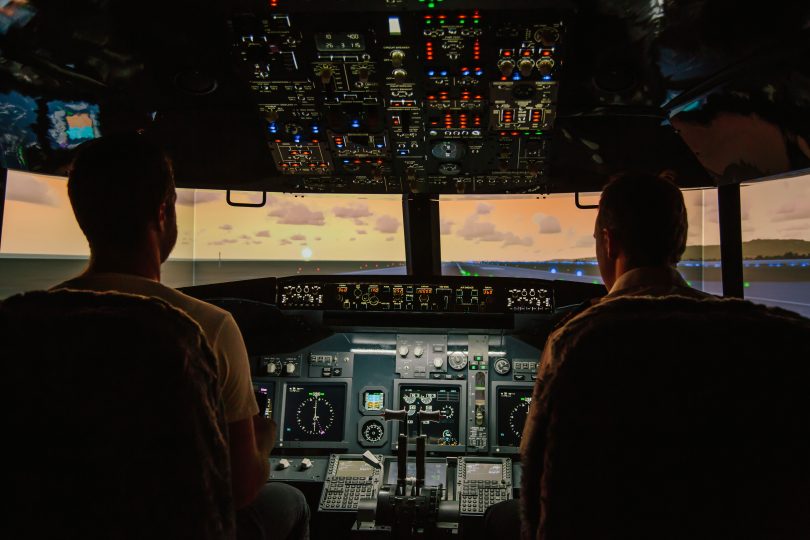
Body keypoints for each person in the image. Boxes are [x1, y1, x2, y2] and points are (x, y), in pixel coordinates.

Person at [53, 133, 309, 540]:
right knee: (289, 499)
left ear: (84, 215)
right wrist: (263, 442)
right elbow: (240, 488)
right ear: (162, 215)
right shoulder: (203, 325)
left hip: (53, 521)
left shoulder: (24, 318)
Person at [484, 171, 710, 540]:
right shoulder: (752, 330)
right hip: (715, 519)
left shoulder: (580, 338)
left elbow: (537, 462)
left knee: (499, 518)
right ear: (680, 244)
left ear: (608, 242)